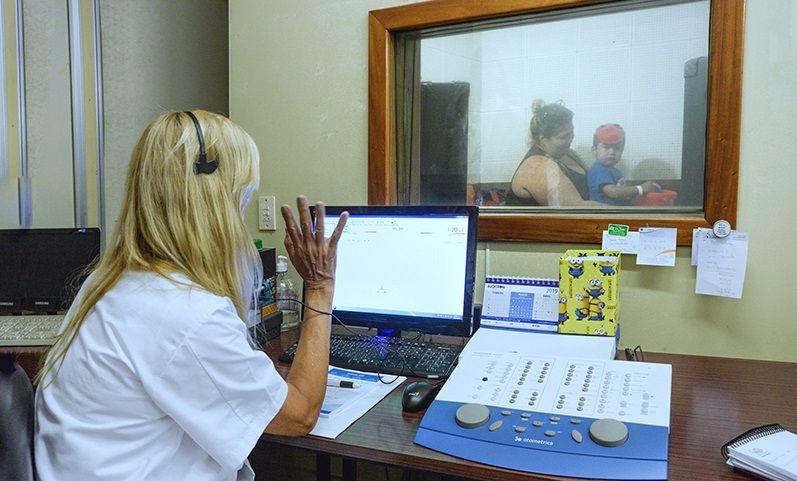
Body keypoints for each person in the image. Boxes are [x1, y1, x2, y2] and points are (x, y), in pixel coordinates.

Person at [33, 110, 348, 481]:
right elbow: (300, 414)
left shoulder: (105, 283)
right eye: (242, 198)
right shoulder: (187, 314)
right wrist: (320, 287)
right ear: (216, 206)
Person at [507, 99, 597, 206]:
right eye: (564, 136)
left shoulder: (567, 153)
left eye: (571, 132)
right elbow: (577, 208)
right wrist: (616, 212)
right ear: (542, 140)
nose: (571, 138)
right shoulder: (537, 166)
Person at [587, 123, 660, 205]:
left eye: (617, 148)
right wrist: (641, 189)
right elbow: (613, 192)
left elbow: (621, 192)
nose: (612, 152)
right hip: (606, 212)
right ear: (594, 150)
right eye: (606, 147)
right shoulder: (599, 170)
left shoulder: (614, 171)